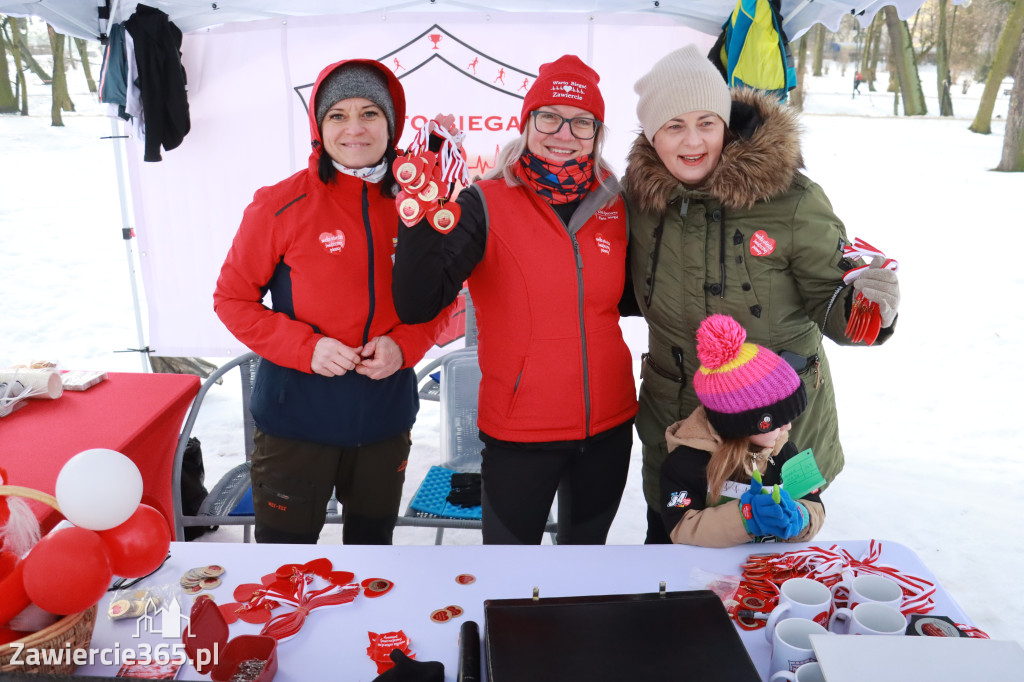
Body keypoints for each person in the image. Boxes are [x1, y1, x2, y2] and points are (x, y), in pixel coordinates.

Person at [623, 45, 899, 543]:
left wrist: (870, 307)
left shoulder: (792, 200)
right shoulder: (641, 200)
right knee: (671, 552)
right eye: (673, 126)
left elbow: (837, 313)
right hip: (680, 425)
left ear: (727, 122)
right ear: (650, 134)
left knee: (770, 571)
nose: (692, 141)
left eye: (707, 122)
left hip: (777, 434)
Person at [392, 55, 638, 545]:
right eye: (549, 116)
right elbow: (419, 302)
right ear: (527, 123)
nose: (563, 133)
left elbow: (638, 296)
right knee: (508, 579)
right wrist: (419, 212)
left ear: (597, 134)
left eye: (582, 122)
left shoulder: (618, 204)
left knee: (583, 568)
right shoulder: (483, 202)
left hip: (609, 426)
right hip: (520, 434)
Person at [213, 59, 455, 545]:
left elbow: (443, 296)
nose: (354, 129)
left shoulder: (421, 203)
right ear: (318, 127)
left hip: (384, 419)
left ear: (392, 123)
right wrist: (306, 348)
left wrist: (404, 347)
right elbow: (232, 299)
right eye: (337, 115)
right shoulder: (280, 204)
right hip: (295, 420)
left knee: (372, 557)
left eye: (370, 113)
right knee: (285, 562)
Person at [660, 314, 824, 547]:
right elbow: (682, 527)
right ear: (741, 424)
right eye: (777, 421)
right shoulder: (686, 462)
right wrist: (745, 518)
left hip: (771, 572)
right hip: (709, 575)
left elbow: (814, 504)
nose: (787, 427)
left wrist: (801, 516)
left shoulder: (785, 449)